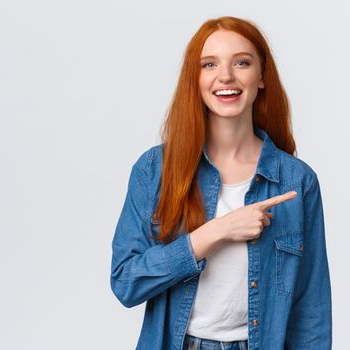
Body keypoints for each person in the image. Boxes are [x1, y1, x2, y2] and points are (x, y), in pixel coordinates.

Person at [110, 16, 332, 350]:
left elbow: (311, 310)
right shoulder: (155, 170)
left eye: (241, 62)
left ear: (261, 77)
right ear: (194, 79)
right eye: (209, 64)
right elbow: (127, 282)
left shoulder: (297, 182)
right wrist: (216, 232)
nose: (225, 76)